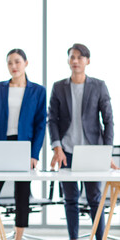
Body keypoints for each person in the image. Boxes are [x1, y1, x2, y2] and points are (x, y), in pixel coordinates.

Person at [48, 43, 117, 240]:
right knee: (70, 199)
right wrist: (57, 146)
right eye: (72, 57)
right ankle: (73, 238)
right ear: (68, 60)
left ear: (88, 61)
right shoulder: (59, 87)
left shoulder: (98, 85)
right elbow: (52, 119)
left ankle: (100, 237)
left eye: (80, 57)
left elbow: (109, 120)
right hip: (66, 151)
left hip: (92, 151)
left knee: (95, 199)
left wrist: (106, 152)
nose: (75, 61)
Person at [0, 49, 46, 240]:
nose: (14, 66)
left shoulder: (38, 91)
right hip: (1, 144)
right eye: (10, 63)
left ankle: (18, 237)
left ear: (26, 63)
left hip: (24, 146)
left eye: (17, 62)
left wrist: (34, 154)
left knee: (22, 193)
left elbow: (41, 125)